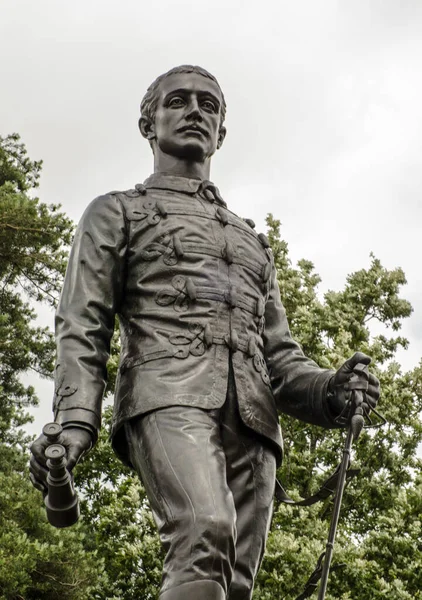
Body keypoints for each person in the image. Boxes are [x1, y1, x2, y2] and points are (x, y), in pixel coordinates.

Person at [30, 65, 380, 600]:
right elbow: (83, 322)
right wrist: (76, 421)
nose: (196, 111)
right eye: (179, 101)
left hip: (255, 425)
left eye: (209, 105)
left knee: (236, 582)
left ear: (221, 132)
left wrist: (332, 389)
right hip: (167, 397)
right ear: (149, 123)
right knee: (203, 530)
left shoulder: (253, 243)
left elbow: (282, 361)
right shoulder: (117, 211)